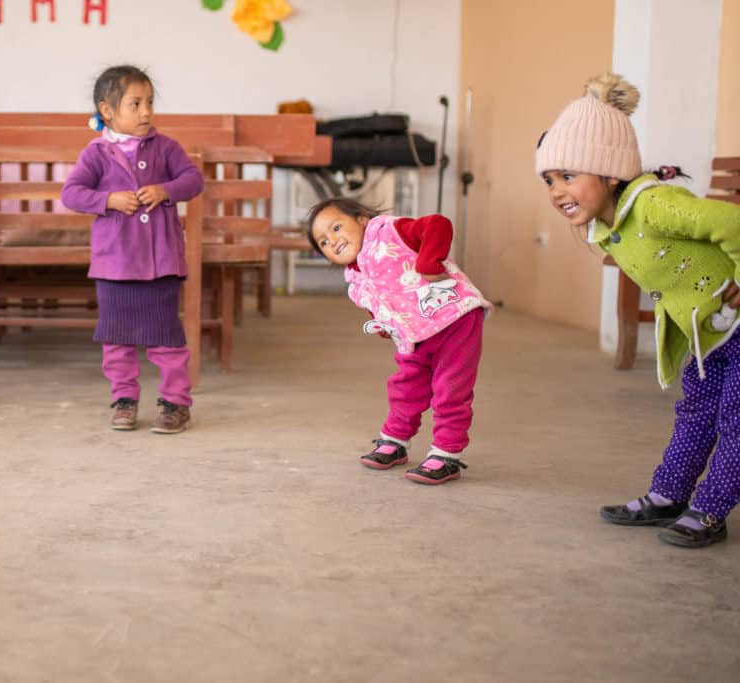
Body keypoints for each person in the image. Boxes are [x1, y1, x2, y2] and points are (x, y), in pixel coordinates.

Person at [537, 72, 740, 548]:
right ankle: (669, 495)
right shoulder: (613, 225)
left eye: (568, 176)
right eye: (548, 179)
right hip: (712, 333)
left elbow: (733, 219)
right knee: (695, 413)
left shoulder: (654, 205)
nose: (555, 191)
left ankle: (711, 510)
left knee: (736, 419)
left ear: (610, 173)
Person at [306, 198, 490, 483]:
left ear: (363, 219)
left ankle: (446, 454)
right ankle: (395, 441)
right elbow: (380, 300)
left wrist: (429, 261)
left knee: (449, 388)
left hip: (454, 319)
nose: (333, 240)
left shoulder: (388, 231)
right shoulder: (354, 279)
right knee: (405, 387)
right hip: (413, 335)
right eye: (323, 242)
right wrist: (384, 324)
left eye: (337, 227)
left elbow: (437, 224)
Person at [62, 65, 204, 434]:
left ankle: (176, 403)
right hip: (115, 266)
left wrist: (165, 190)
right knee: (117, 339)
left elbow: (193, 179)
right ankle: (124, 399)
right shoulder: (96, 153)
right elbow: (72, 193)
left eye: (150, 103)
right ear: (107, 110)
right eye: (135, 103)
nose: (146, 112)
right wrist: (108, 200)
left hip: (161, 264)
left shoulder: (166, 147)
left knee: (166, 339)